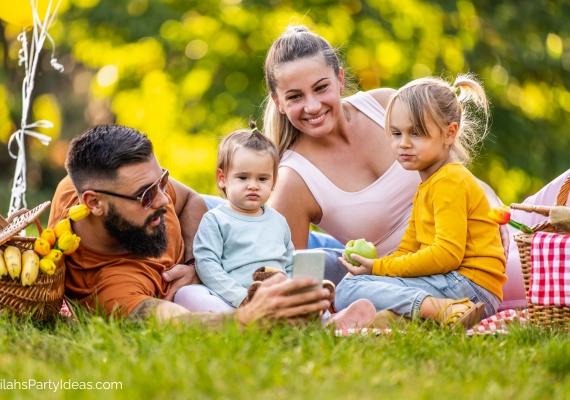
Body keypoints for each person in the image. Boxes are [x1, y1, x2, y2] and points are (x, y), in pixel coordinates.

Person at [262, 25, 515, 302]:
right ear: (279, 102)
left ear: (340, 80)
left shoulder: (385, 105)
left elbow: (458, 174)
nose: (312, 106)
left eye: (321, 88)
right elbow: (292, 280)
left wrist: (491, 206)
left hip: (490, 243)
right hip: (417, 280)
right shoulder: (292, 181)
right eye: (295, 97)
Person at [48, 124, 331, 326]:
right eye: (146, 194)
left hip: (233, 222)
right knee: (340, 267)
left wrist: (195, 263)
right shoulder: (107, 287)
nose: (162, 199)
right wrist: (249, 316)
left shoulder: (124, 186)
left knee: (344, 254)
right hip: (234, 261)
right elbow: (180, 322)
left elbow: (190, 199)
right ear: (94, 203)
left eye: (162, 181)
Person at [335, 75, 506, 328]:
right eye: (395, 133)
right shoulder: (428, 185)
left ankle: (441, 309)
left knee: (348, 289)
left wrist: (379, 268)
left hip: (469, 286)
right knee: (353, 285)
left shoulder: (450, 181)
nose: (403, 143)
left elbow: (447, 255)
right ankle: (406, 319)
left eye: (416, 133)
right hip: (455, 284)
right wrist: (374, 268)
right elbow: (408, 250)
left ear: (449, 134)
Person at [174, 122, 294, 312]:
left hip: (275, 299)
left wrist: (289, 292)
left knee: (314, 291)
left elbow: (290, 264)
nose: (253, 185)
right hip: (231, 300)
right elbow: (207, 264)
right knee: (186, 294)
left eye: (262, 179)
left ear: (273, 181)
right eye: (243, 177)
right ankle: (239, 318)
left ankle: (327, 319)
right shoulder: (215, 220)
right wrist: (241, 297)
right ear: (222, 178)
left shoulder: (279, 221)